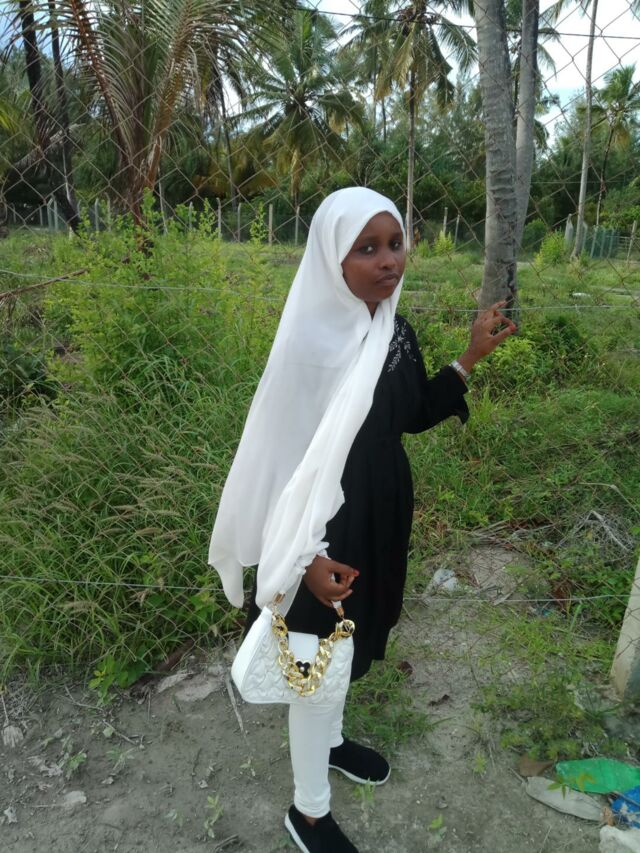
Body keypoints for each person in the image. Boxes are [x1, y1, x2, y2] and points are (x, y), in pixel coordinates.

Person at [208, 187, 516, 853]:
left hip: (379, 515)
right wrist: (306, 558)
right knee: (313, 661)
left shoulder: (391, 330)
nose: (388, 260)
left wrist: (469, 357)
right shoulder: (308, 345)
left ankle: (334, 740)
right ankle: (309, 813)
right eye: (367, 248)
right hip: (323, 530)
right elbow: (283, 461)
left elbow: (411, 414)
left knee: (344, 646)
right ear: (332, 258)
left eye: (395, 243)